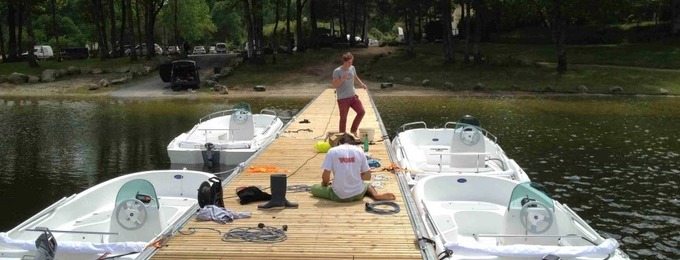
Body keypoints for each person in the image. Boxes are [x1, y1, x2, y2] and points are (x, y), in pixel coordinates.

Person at [311, 134, 396, 202]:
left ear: (339, 142)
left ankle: (321, 189)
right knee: (367, 185)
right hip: (358, 194)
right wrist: (354, 176)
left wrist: (325, 184)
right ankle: (376, 195)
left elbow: (326, 176)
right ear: (352, 142)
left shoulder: (332, 151)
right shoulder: (359, 150)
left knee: (314, 188)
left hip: (339, 196)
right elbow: (367, 176)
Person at [332, 52, 367, 136]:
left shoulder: (352, 68)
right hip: (343, 98)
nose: (350, 64)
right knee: (343, 118)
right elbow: (334, 85)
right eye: (348, 62)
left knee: (361, 112)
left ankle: (353, 130)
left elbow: (355, 77)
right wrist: (342, 79)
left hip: (353, 96)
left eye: (351, 62)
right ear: (344, 61)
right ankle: (342, 136)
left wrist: (361, 84)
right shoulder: (337, 71)